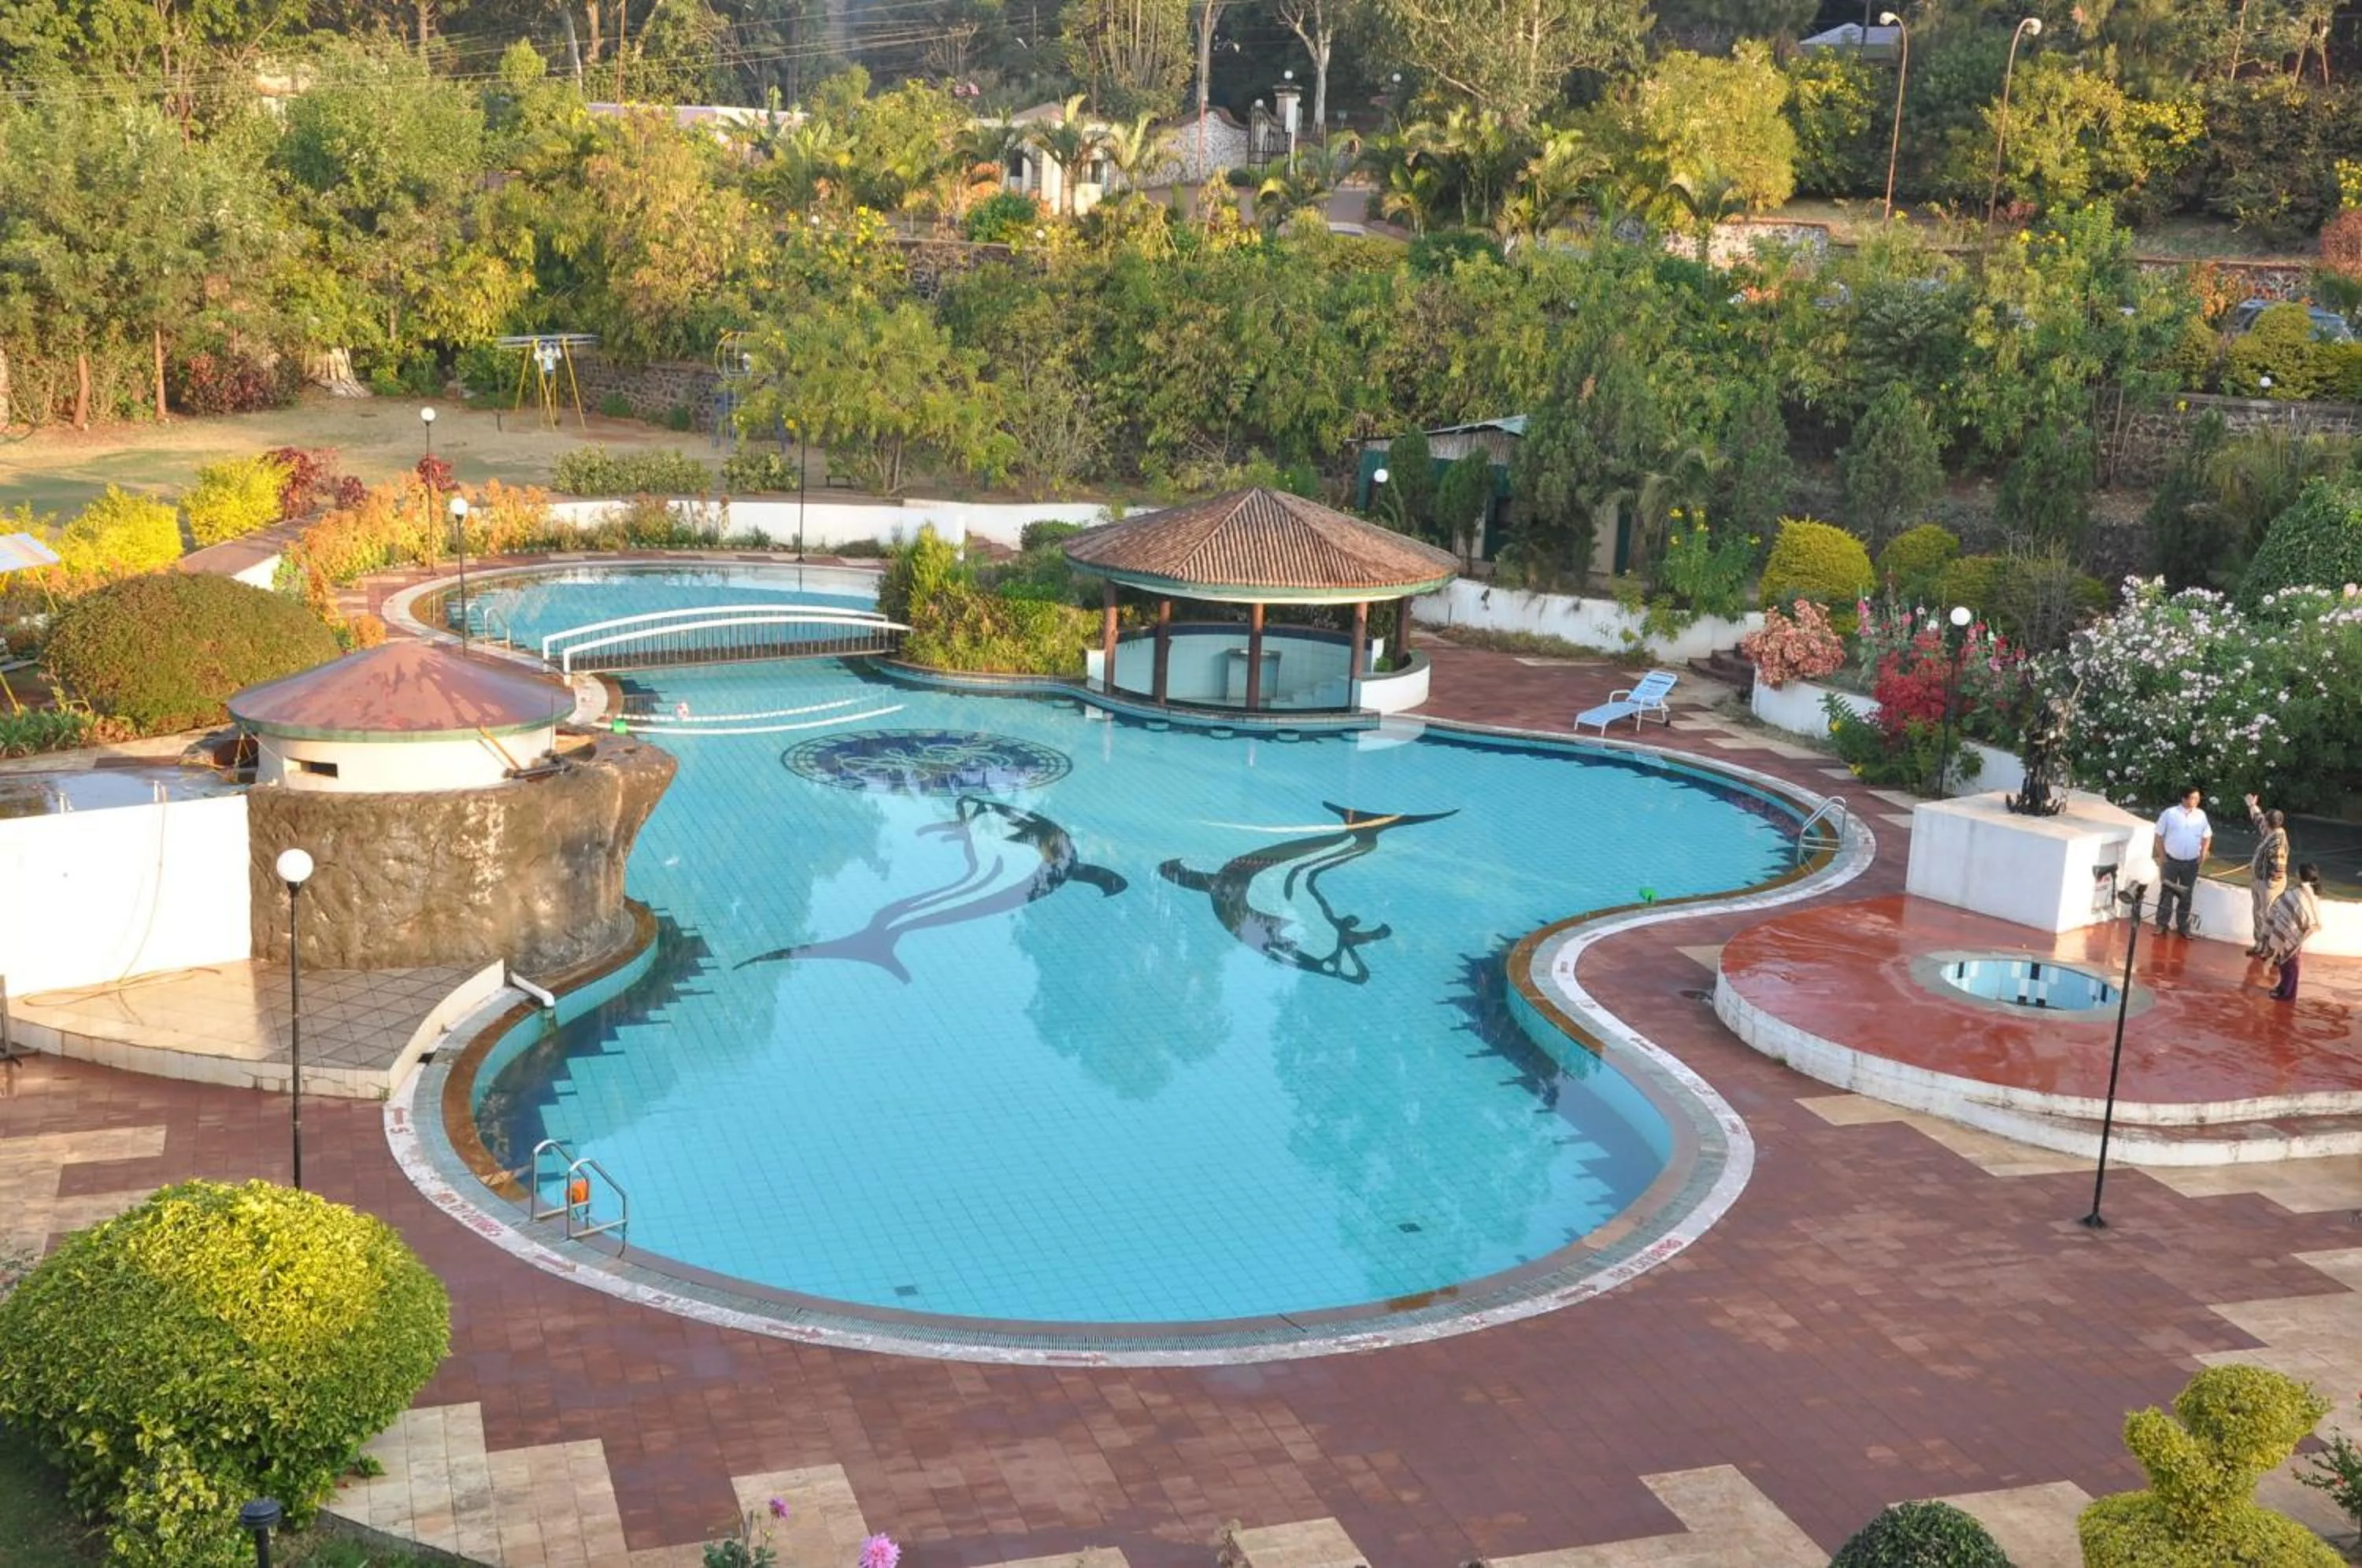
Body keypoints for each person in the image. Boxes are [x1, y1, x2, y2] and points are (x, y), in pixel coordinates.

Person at [2152, 787, 2212, 939]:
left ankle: (2183, 926)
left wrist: (2204, 853)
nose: (2196, 801)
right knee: (2166, 893)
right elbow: (2158, 835)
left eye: (2198, 798)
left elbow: (2207, 836)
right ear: (2184, 799)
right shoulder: (2170, 814)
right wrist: (2162, 856)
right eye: (2193, 798)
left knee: (2186, 895)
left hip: (2191, 862)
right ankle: (2161, 925)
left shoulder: (2201, 815)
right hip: (2171, 860)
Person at [2260, 864, 2325, 1002]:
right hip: (2296, 933)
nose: (2295, 872)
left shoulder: (2299, 894)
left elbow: (2295, 912)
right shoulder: (2308, 892)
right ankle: (2287, 990)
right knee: (2290, 963)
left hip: (2292, 933)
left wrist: (2286, 931)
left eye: (2297, 871)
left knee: (2289, 965)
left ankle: (2286, 993)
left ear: (2300, 875)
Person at [2242, 793, 2289, 957]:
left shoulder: (2277, 840)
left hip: (2268, 884)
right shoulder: (2271, 831)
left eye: (2266, 821)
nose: (2264, 823)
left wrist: (2268, 885)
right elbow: (2258, 818)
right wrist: (2252, 805)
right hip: (2260, 881)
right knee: (2258, 913)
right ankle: (2259, 944)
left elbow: (2279, 868)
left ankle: (2268, 948)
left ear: (2270, 824)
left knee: (2268, 915)